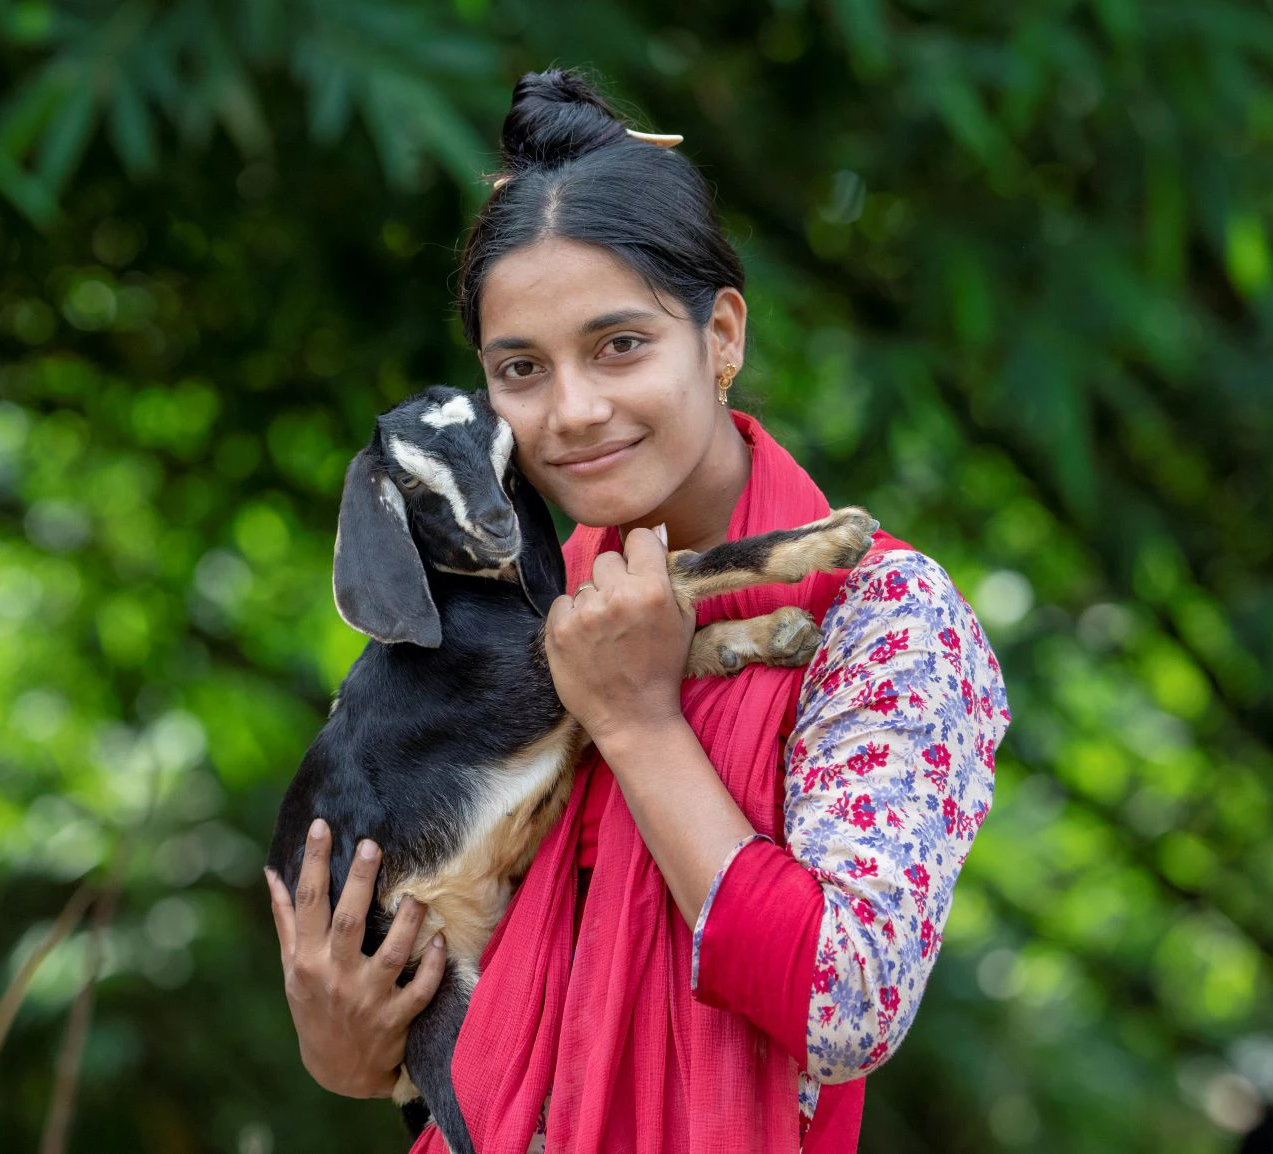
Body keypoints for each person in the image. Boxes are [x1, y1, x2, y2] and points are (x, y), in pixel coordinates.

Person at [263, 68, 1012, 1153]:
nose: (573, 410)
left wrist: (638, 721)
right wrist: (346, 1049)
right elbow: (426, 942)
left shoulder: (883, 614)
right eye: (521, 367)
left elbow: (845, 1006)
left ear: (721, 337)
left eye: (621, 345)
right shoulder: (512, 614)